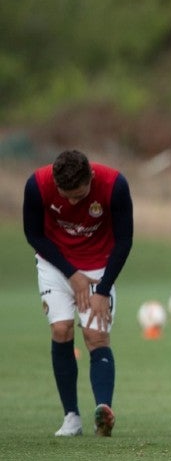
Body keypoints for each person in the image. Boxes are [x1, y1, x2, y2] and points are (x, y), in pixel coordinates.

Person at [23, 149, 133, 437]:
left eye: (79, 195)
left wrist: (103, 290)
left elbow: (124, 241)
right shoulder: (37, 185)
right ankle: (71, 416)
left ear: (91, 178)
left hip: (100, 267)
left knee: (96, 336)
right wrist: (72, 275)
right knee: (61, 330)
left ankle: (103, 412)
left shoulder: (114, 185)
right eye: (66, 195)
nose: (72, 201)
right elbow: (34, 235)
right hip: (56, 265)